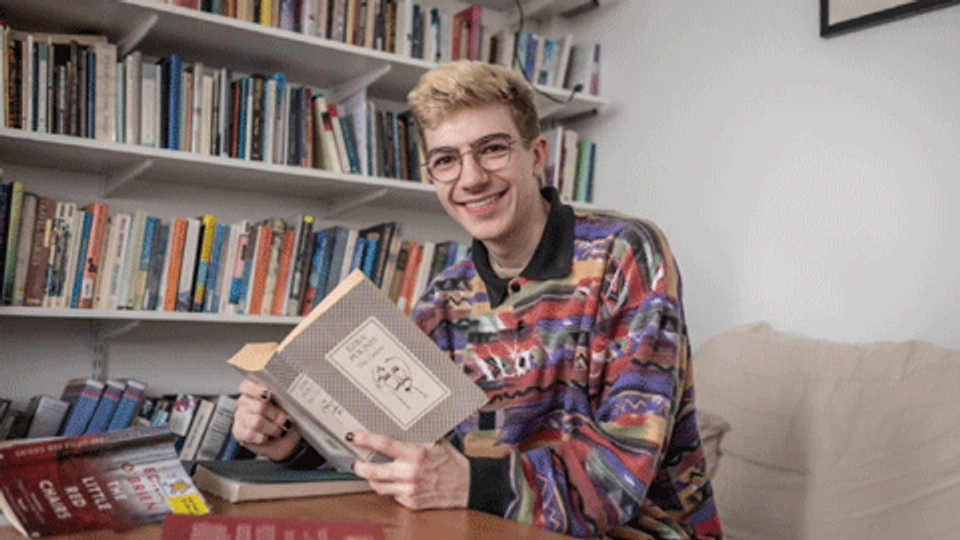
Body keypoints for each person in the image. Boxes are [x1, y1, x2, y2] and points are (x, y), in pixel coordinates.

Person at [232, 60, 723, 539]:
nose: (471, 179)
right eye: (446, 160)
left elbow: (622, 471)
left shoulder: (625, 253)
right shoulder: (443, 299)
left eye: (492, 149)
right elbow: (413, 455)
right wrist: (294, 442)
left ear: (536, 156)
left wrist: (470, 483)